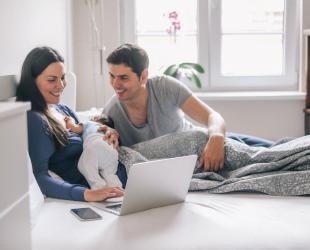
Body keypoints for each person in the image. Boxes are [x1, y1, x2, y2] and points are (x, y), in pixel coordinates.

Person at [102, 43, 274, 173]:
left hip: (203, 142)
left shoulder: (164, 87)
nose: (115, 84)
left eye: (123, 78)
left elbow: (213, 117)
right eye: (112, 76)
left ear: (143, 76)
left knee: (274, 149)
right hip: (183, 164)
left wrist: (216, 138)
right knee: (266, 159)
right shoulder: (112, 112)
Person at [16, 46, 125, 202]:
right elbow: (40, 177)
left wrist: (108, 131)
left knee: (171, 146)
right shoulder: (35, 120)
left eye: (62, 77)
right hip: (117, 181)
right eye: (52, 80)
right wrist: (86, 194)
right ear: (32, 82)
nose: (61, 85)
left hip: (123, 161)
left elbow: (87, 131)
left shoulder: (63, 109)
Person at [64, 115, 122, 189]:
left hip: (96, 142)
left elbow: (74, 128)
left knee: (83, 165)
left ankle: (98, 186)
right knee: (109, 174)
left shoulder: (89, 123)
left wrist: (69, 120)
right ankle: (117, 188)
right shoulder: (108, 131)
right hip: (112, 149)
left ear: (95, 119)